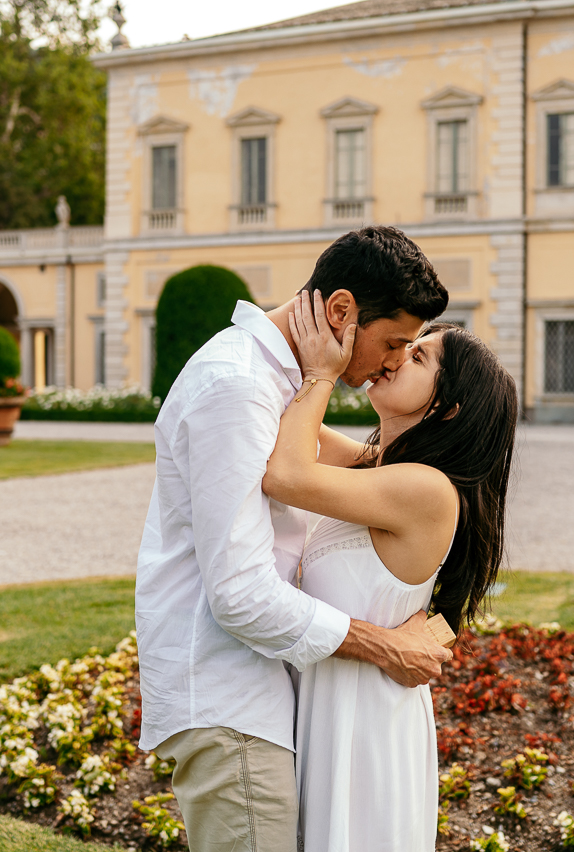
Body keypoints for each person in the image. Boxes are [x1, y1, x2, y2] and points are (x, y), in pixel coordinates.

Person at [135, 226, 455, 852]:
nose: (392, 361)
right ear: (341, 312)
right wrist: (384, 646)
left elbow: (368, 468)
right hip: (230, 696)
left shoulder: (275, 383)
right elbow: (240, 595)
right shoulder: (238, 387)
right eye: (393, 343)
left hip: (263, 698)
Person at [263, 292, 518, 852]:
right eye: (404, 345)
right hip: (331, 710)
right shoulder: (376, 468)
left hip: (366, 725)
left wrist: (322, 374)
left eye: (419, 357)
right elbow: (276, 429)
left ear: (447, 408)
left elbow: (284, 474)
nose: (398, 358)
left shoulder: (423, 490)